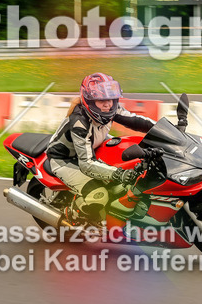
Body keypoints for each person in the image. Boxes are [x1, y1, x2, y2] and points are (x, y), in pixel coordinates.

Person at [45, 73, 156, 224]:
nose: (108, 104)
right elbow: (86, 163)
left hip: (93, 145)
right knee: (99, 195)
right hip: (66, 159)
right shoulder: (79, 122)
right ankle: (72, 215)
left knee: (132, 164)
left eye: (110, 99)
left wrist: (168, 130)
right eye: (101, 100)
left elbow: (138, 121)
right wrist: (119, 174)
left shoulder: (109, 110)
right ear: (89, 101)